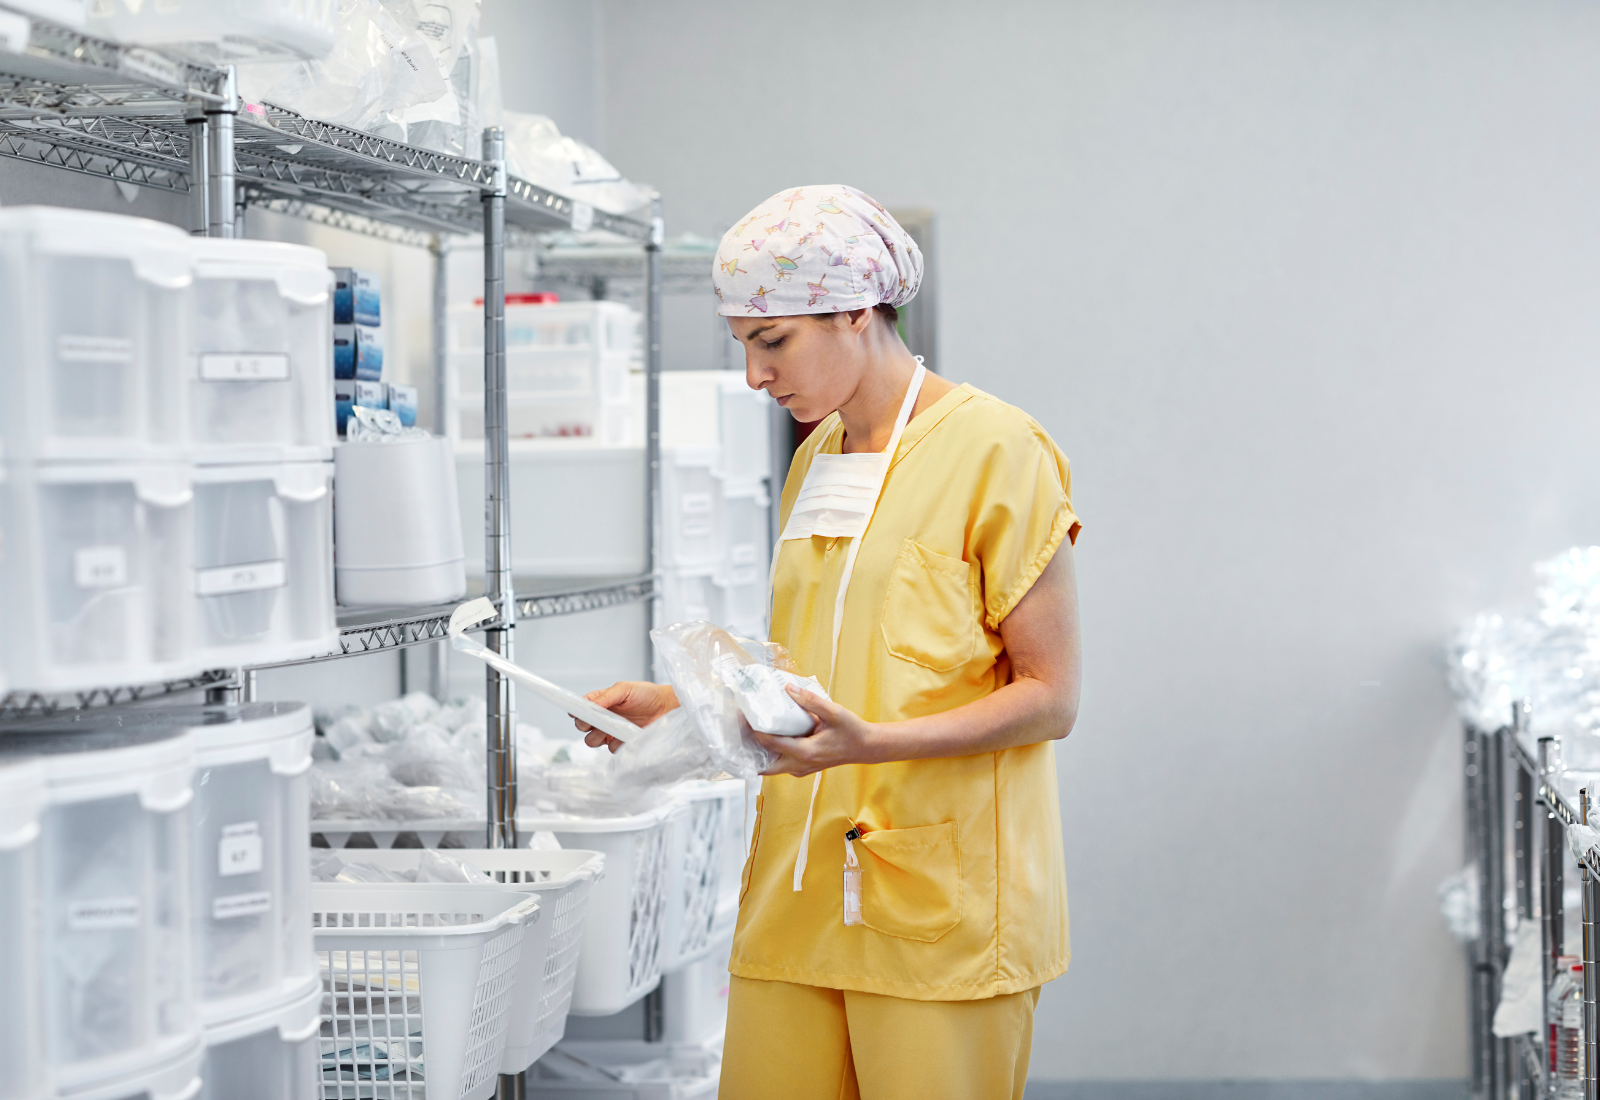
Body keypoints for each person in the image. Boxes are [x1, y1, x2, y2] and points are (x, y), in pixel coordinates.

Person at [577, 185, 1082, 1100]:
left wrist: (875, 745)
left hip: (938, 900)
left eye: (772, 341)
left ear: (858, 309)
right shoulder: (816, 458)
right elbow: (822, 665)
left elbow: (1052, 697)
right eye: (743, 346)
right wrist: (684, 707)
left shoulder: (999, 450)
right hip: (799, 892)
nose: (754, 376)